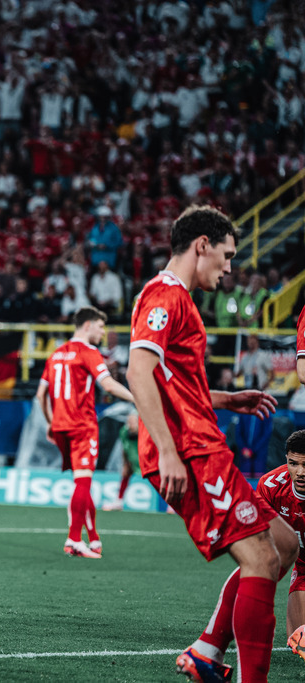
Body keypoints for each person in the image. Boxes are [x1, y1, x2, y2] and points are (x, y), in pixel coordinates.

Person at [125, 205, 297, 682]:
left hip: (201, 444)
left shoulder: (180, 301)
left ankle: (206, 651)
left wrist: (226, 399)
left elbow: (171, 380)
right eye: (226, 255)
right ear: (202, 244)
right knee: (261, 558)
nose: (228, 267)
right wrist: (167, 450)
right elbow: (138, 372)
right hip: (190, 451)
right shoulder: (166, 297)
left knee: (283, 542)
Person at [35, 306, 135, 559]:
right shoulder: (89, 352)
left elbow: (40, 395)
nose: (103, 332)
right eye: (101, 327)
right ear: (88, 325)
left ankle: (93, 537)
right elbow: (108, 384)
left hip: (60, 427)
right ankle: (73, 539)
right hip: (82, 426)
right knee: (82, 482)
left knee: (81, 482)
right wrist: (137, 399)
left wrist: (51, 421)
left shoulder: (56, 354)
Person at [256, 430, 305, 662]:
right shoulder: (270, 486)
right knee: (298, 641)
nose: (301, 472)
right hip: (301, 564)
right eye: (293, 464)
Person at [103, 411, 140, 511]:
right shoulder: (124, 431)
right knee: (125, 476)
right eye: (129, 421)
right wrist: (125, 463)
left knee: (159, 481)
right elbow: (124, 448)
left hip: (146, 461)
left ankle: (171, 505)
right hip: (132, 460)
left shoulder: (145, 432)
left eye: (133, 421)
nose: (131, 424)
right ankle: (118, 502)